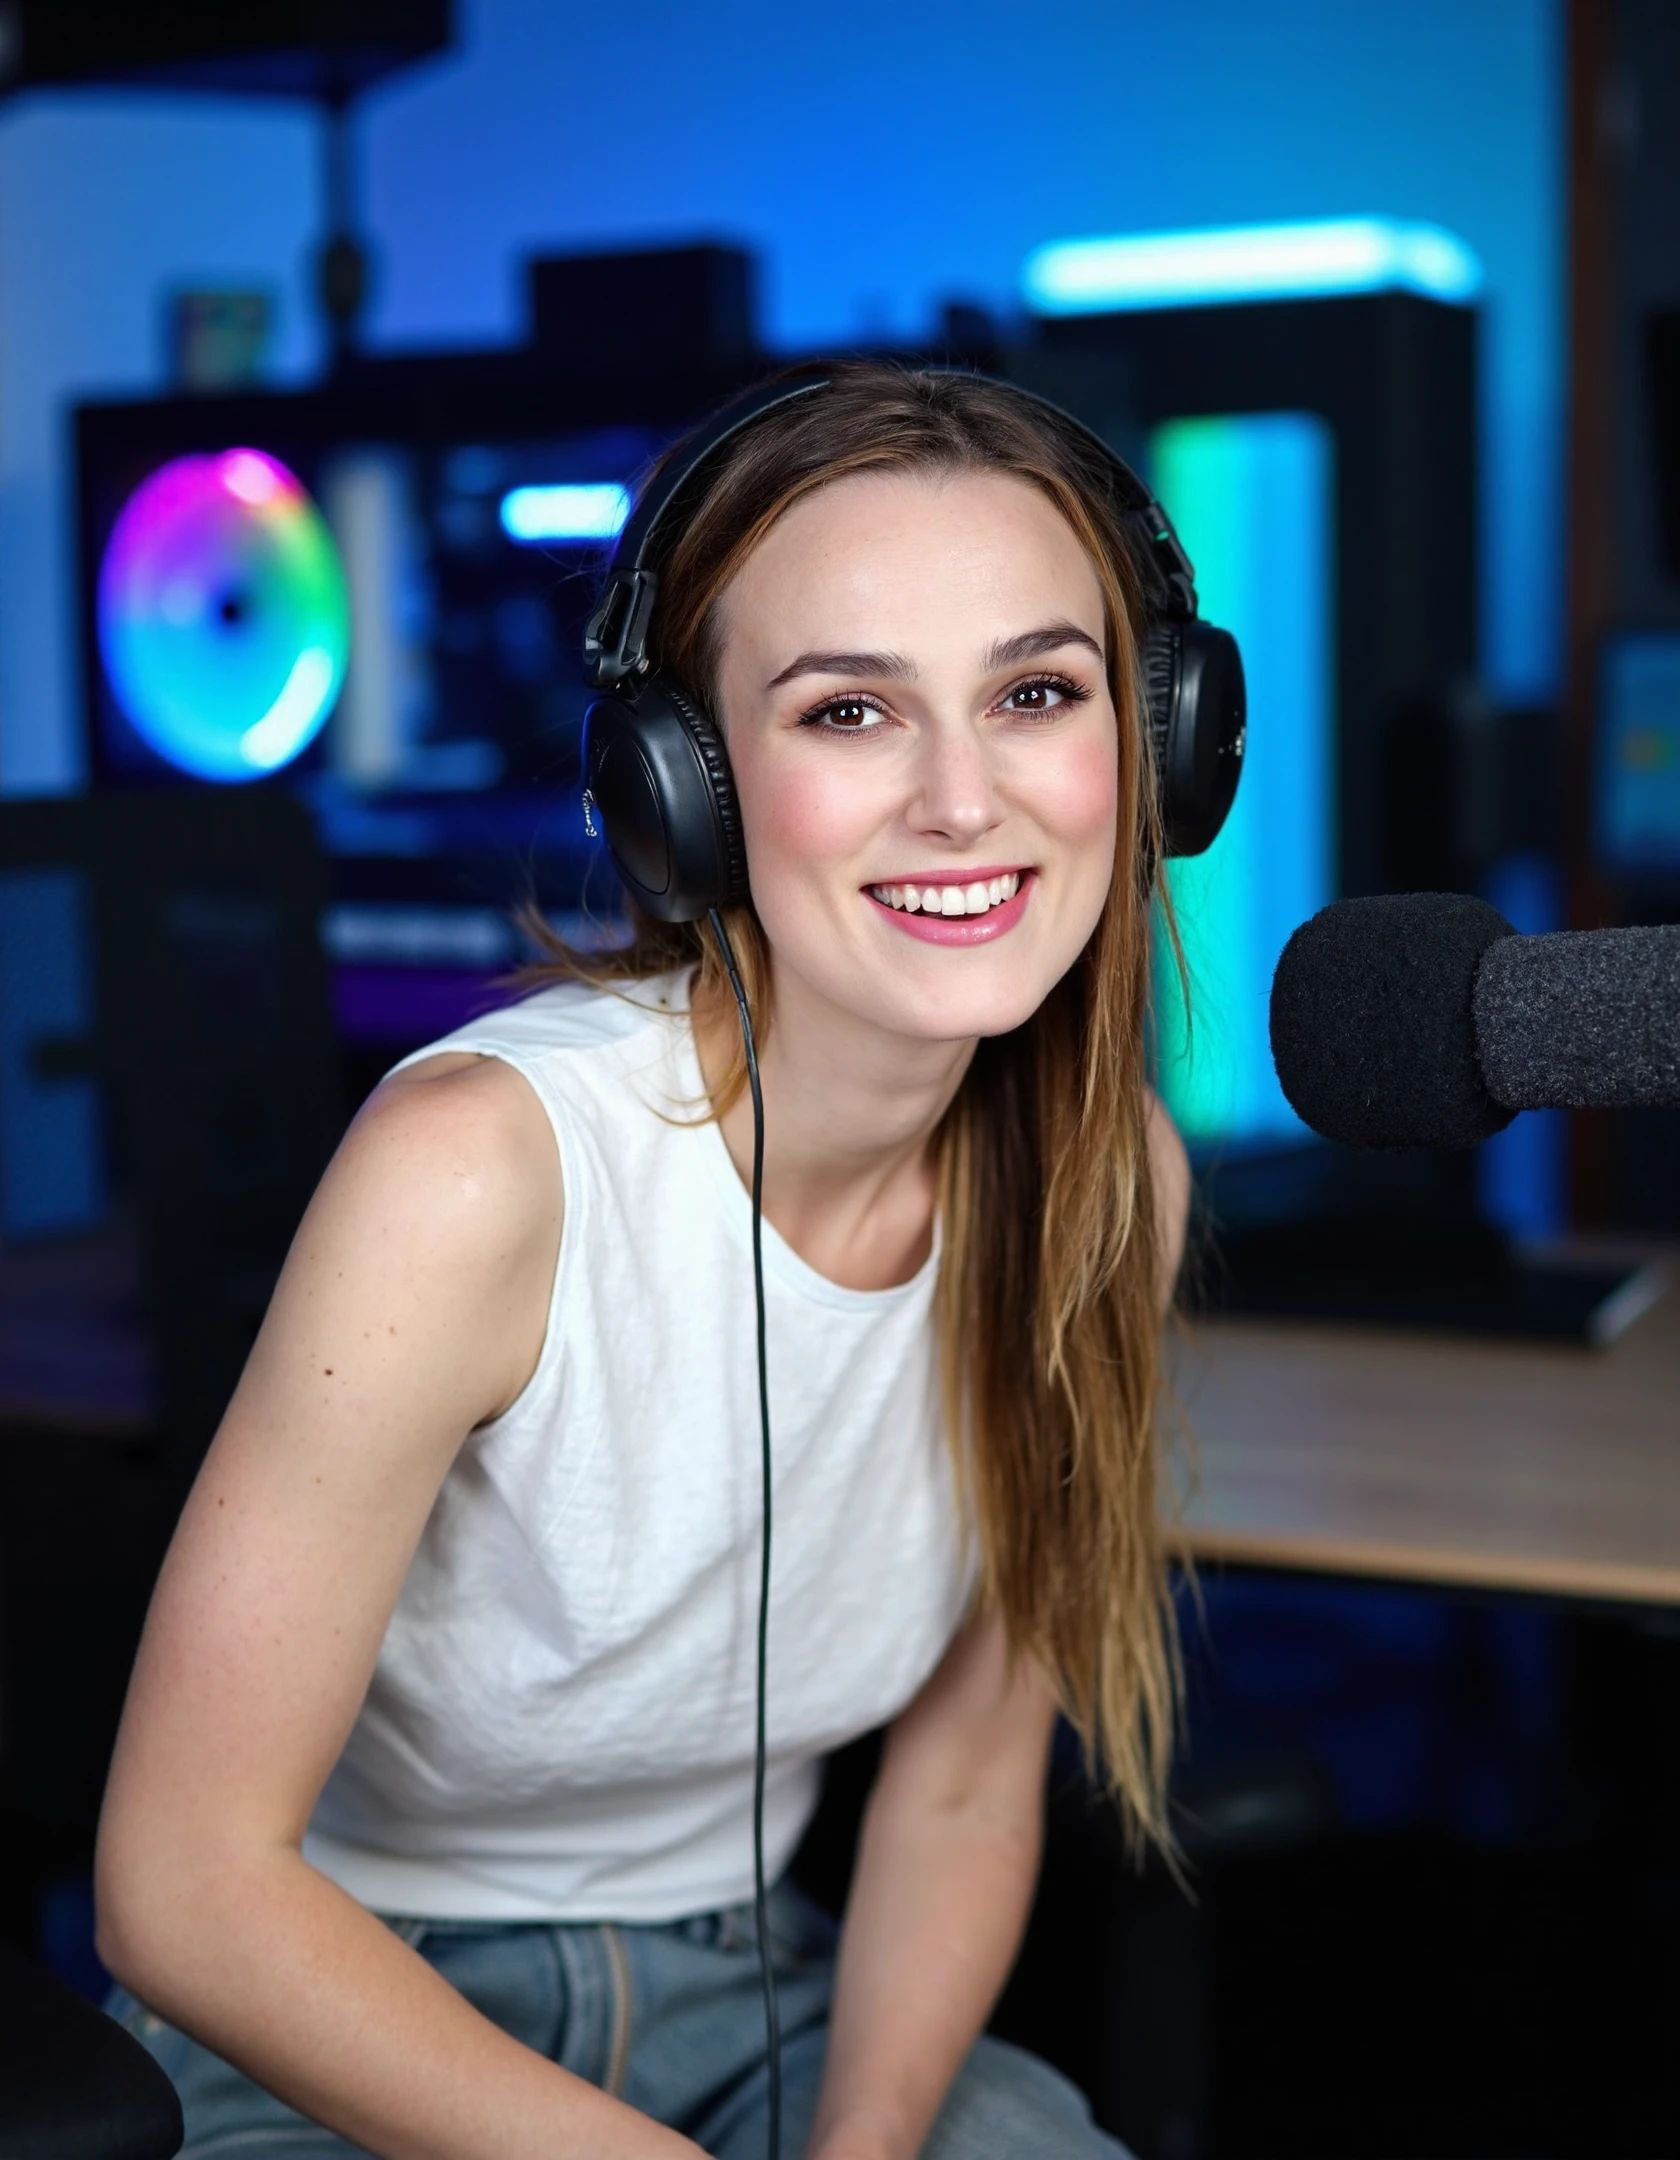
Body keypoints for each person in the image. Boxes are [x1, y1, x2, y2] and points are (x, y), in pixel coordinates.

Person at [95, 363, 1192, 2160]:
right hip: (336, 2011)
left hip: (755, 1992)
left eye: (1037, 693)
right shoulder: (477, 1170)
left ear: (1155, 743)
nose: (961, 798)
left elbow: (971, 1779)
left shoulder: (1105, 1192)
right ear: (679, 782)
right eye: (849, 713)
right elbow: (184, 1889)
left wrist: (863, 2144)